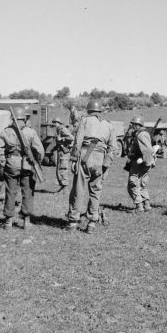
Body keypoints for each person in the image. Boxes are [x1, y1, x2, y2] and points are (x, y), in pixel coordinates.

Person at [65, 99, 117, 234]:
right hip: (100, 159)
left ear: (89, 110)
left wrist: (74, 159)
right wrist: (106, 164)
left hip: (85, 157)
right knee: (96, 191)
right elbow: (113, 148)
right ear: (100, 111)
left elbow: (78, 141)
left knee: (79, 188)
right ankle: (92, 222)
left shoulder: (85, 121)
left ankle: (73, 221)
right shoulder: (108, 125)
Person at [0, 107, 44, 230]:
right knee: (27, 192)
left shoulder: (6, 132)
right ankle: (26, 221)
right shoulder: (31, 132)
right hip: (27, 165)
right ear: (25, 118)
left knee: (10, 192)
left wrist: (3, 163)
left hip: (11, 164)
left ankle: (8, 222)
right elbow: (40, 150)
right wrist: (37, 162)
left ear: (13, 118)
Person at [126, 115, 154, 214]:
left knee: (133, 184)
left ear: (138, 125)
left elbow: (147, 150)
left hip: (140, 163)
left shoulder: (141, 135)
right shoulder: (143, 133)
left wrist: (146, 163)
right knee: (142, 185)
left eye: (133, 124)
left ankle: (139, 207)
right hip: (144, 162)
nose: (132, 126)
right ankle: (147, 205)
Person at [52, 117, 74, 191]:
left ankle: (65, 187)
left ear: (58, 123)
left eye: (55, 123)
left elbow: (71, 137)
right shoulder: (59, 130)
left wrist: (62, 139)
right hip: (60, 151)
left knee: (63, 168)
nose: (54, 124)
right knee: (59, 169)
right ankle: (62, 186)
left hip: (64, 152)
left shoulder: (63, 129)